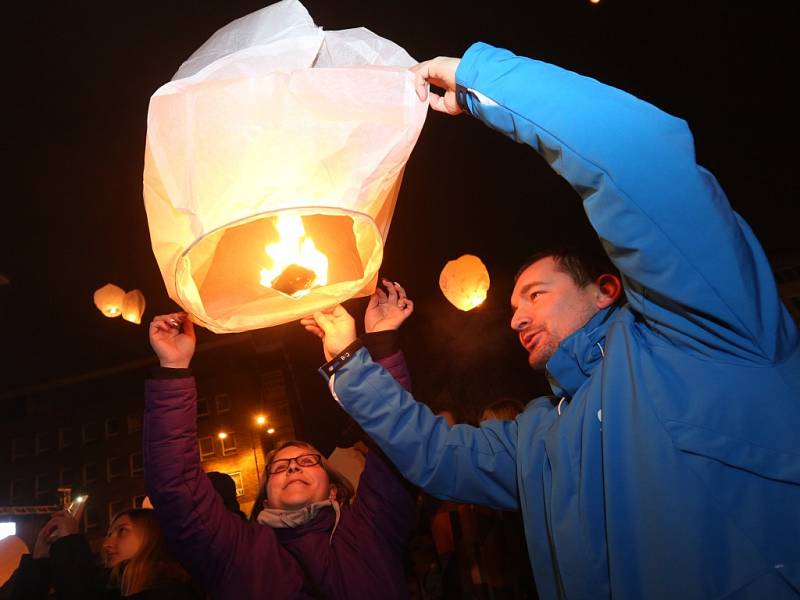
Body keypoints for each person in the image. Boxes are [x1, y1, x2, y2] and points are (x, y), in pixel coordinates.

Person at [303, 43, 800, 599]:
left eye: (535, 294)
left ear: (605, 290)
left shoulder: (702, 336)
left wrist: (485, 83)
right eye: (514, 305)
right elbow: (436, 455)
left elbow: (643, 167)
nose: (517, 318)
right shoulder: (540, 435)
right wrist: (348, 357)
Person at [144, 279, 417, 599]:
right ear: (266, 496)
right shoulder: (235, 553)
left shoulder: (371, 529)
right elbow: (176, 486)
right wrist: (173, 367)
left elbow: (397, 443)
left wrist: (379, 341)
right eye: (279, 466)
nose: (292, 468)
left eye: (306, 460)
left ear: (333, 488)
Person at [8, 506, 197, 599]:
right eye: (108, 534)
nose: (107, 544)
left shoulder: (172, 592)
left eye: (122, 531)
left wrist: (71, 543)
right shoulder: (109, 587)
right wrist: (39, 560)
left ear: (153, 538)